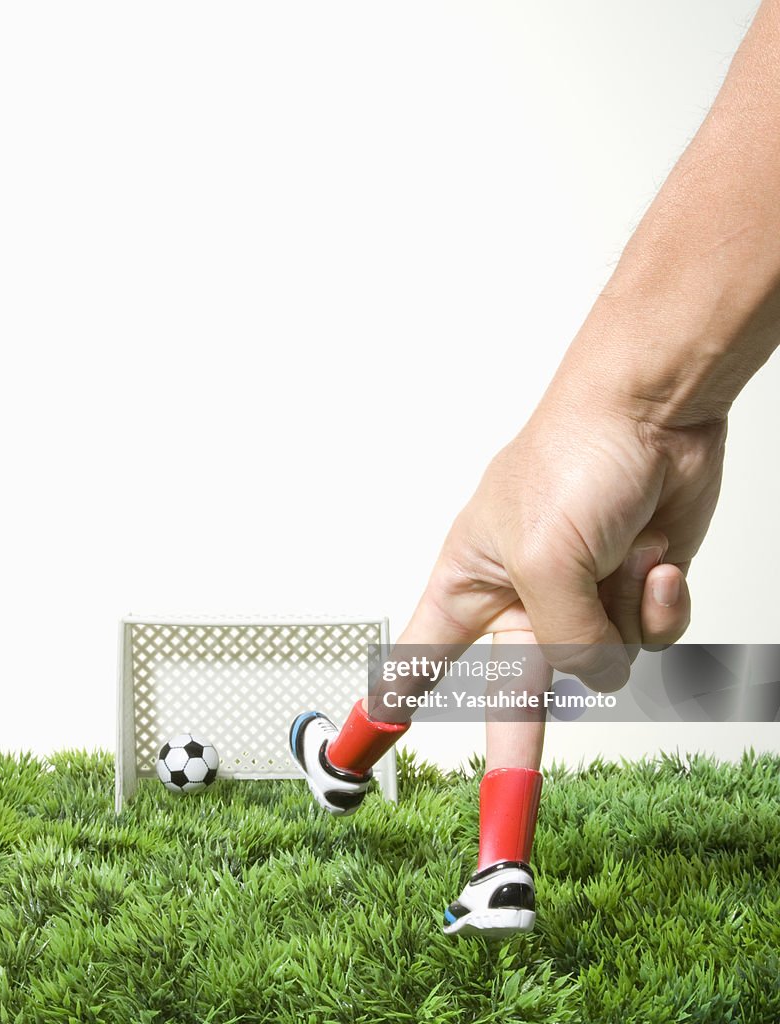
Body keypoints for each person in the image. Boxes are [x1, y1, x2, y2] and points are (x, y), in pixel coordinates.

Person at [291, 0, 780, 937]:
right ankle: (484, 858)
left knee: (470, 592)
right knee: (512, 607)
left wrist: (650, 414)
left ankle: (356, 767)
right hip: (644, 440)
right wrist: (665, 413)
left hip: (621, 451)